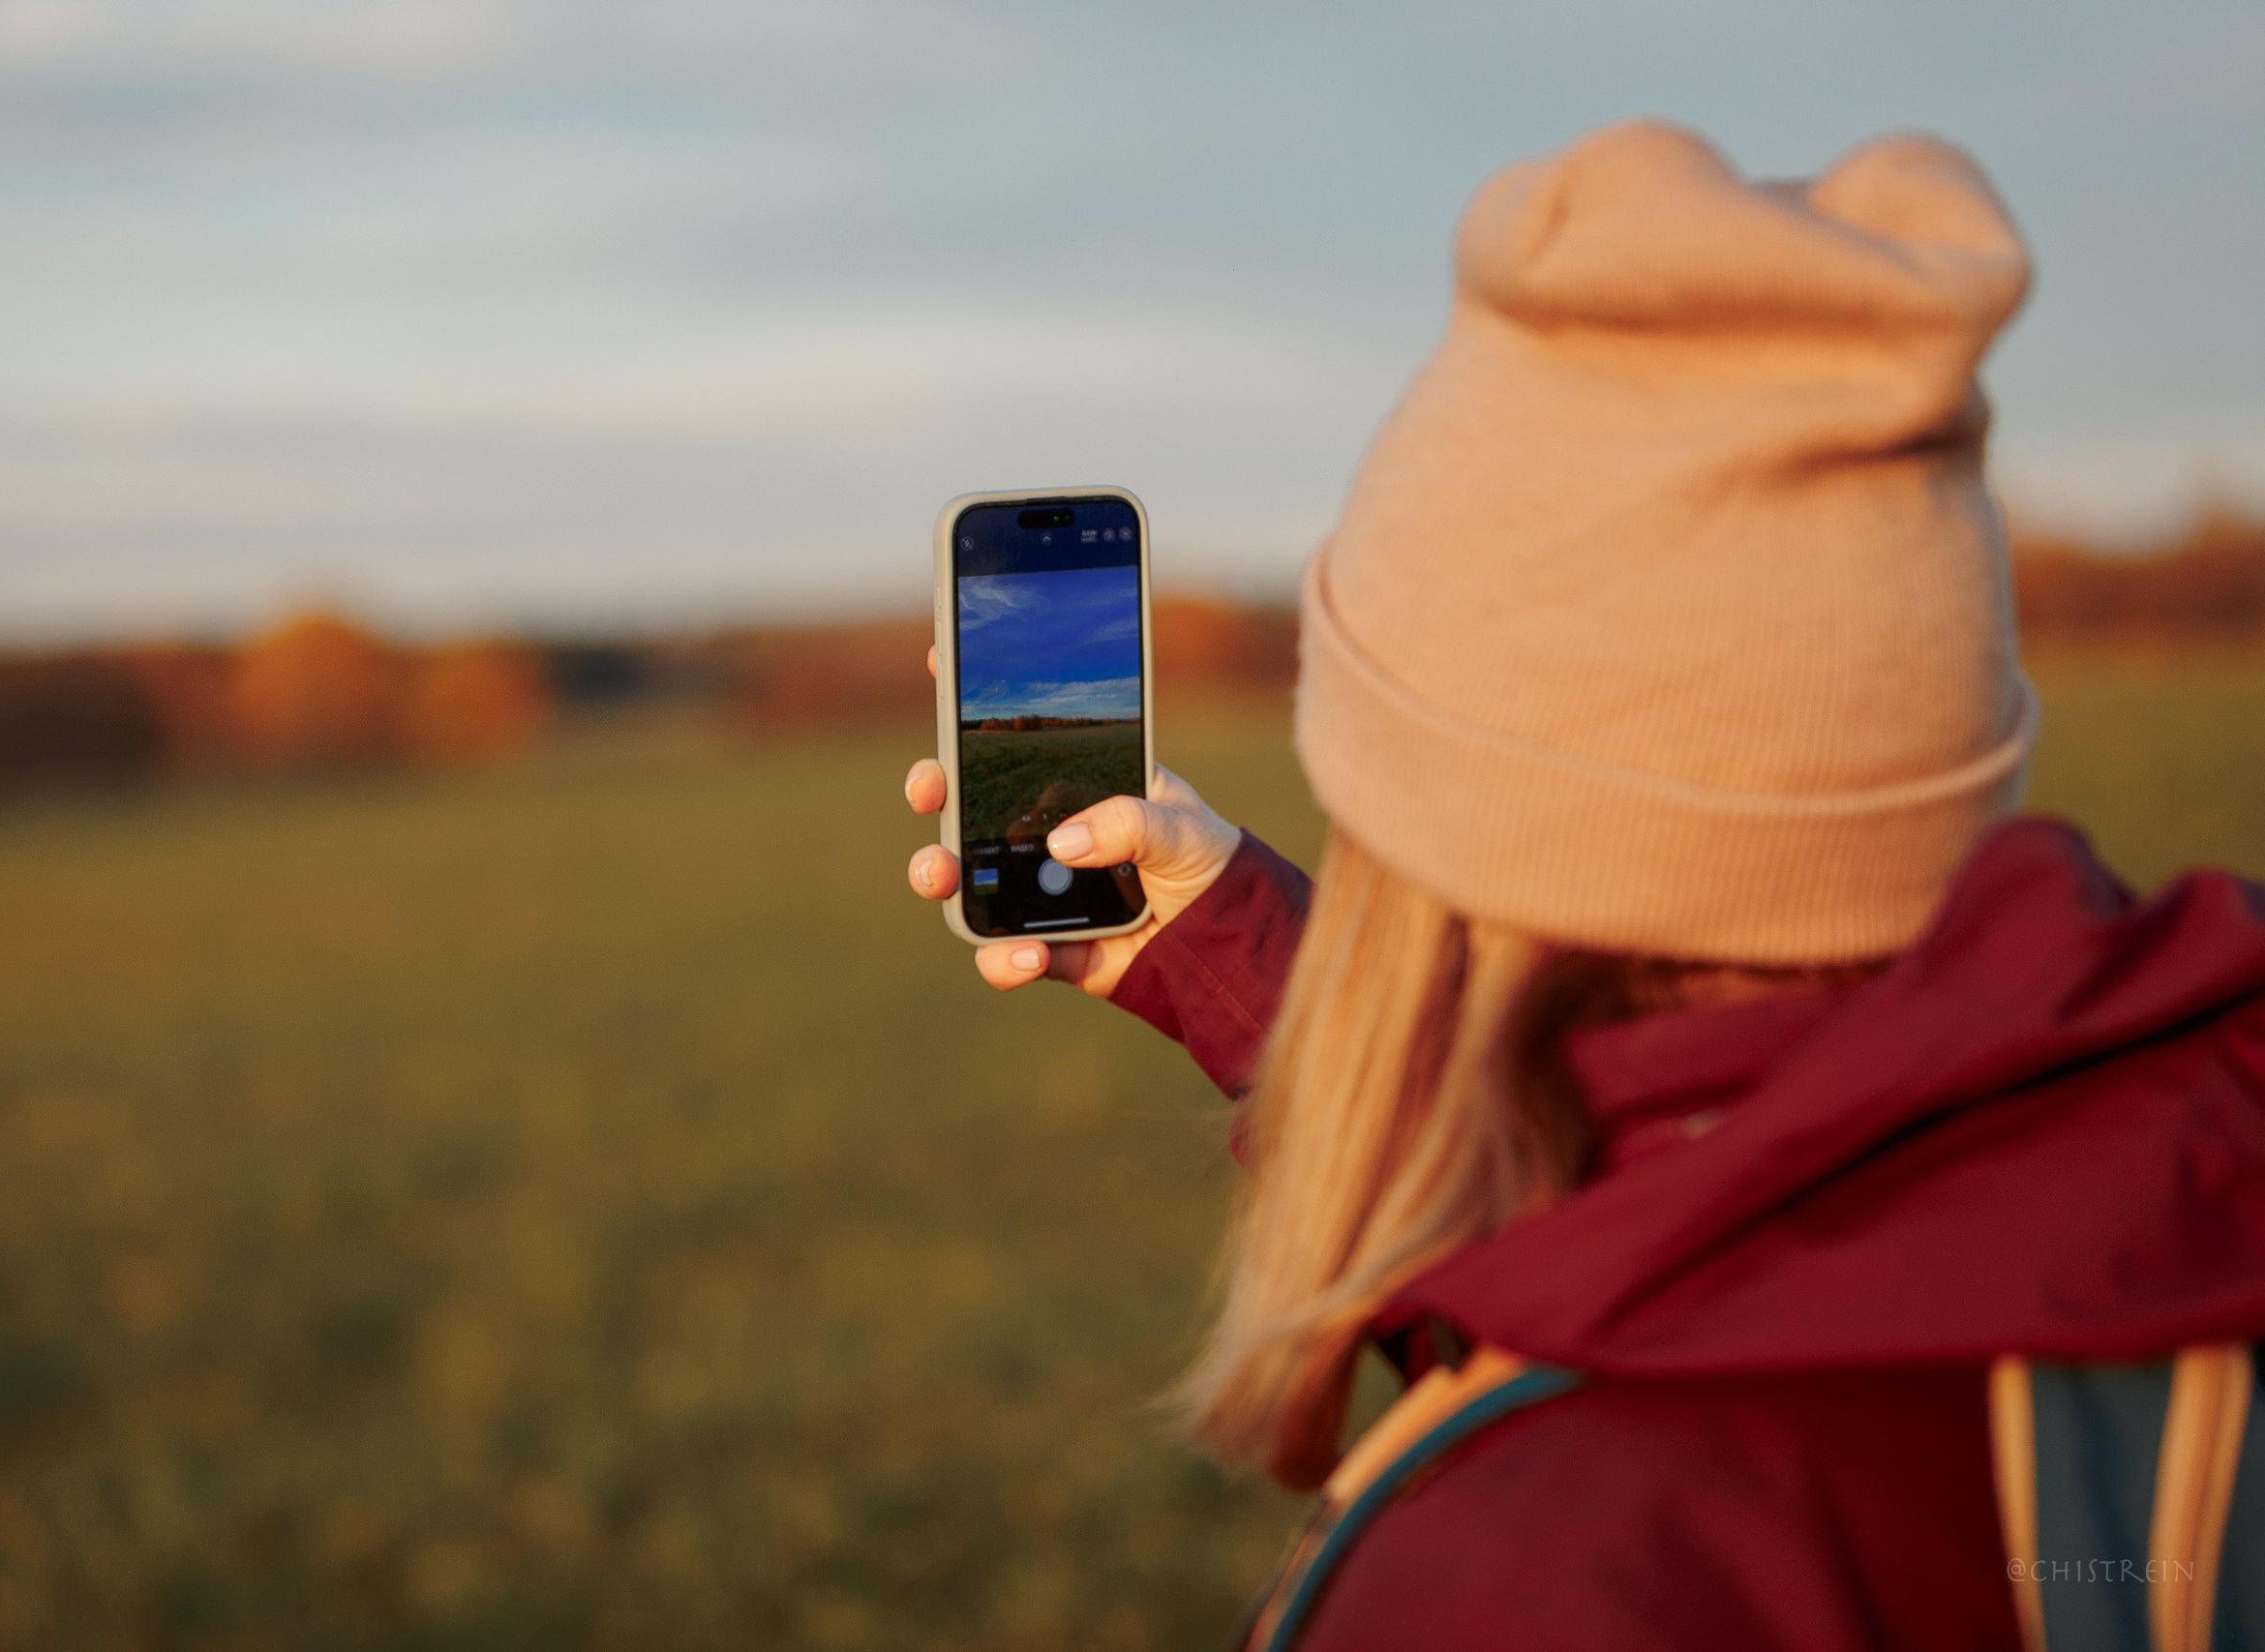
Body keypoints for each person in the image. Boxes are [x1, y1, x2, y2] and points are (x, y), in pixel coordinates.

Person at [901, 120, 2265, 1651]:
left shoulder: (1521, 1583)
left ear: (1483, 825)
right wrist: (1222, 939)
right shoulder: (2153, 1152)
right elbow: (1640, 1247)